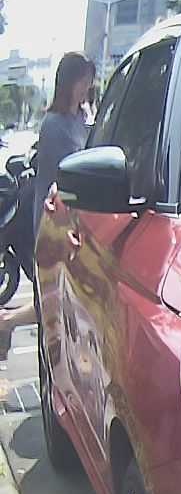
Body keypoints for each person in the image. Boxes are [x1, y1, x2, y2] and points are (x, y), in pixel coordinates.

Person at [0, 52, 93, 359]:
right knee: (55, 300)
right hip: (54, 222)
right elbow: (68, 173)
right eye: (84, 81)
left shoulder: (79, 119)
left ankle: (7, 323)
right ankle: (8, 323)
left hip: (74, 220)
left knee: (56, 298)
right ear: (70, 82)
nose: (88, 87)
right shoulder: (54, 125)